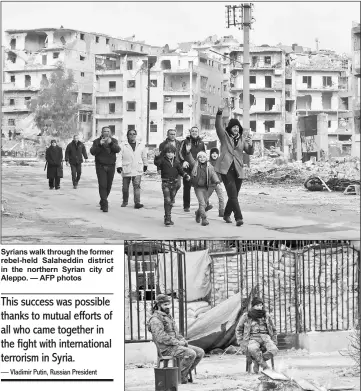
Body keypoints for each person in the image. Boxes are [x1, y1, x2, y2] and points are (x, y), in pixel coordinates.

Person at [148, 294, 205, 384]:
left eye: (168, 304)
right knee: (191, 353)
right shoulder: (155, 319)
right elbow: (161, 337)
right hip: (166, 349)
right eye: (165, 305)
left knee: (200, 352)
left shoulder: (168, 316)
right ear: (158, 305)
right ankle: (180, 377)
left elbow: (176, 333)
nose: (168, 307)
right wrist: (177, 342)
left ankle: (183, 374)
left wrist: (182, 340)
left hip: (175, 346)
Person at [215, 107, 254, 226]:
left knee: (234, 195)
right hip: (226, 169)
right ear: (230, 128)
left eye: (237, 127)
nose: (236, 128)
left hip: (238, 169)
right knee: (232, 194)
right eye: (234, 127)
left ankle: (226, 214)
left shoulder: (242, 139)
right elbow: (218, 126)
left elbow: (249, 152)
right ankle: (239, 218)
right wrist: (219, 113)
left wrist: (251, 144)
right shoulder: (224, 136)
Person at [235, 297, 278, 374]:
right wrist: (241, 342)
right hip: (252, 338)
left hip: (266, 337)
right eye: (257, 305)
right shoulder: (246, 316)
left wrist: (274, 340)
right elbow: (238, 329)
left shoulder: (266, 315)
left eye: (261, 305)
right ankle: (266, 367)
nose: (259, 307)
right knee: (252, 348)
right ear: (253, 306)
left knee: (274, 349)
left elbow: (274, 329)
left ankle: (257, 361)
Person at [184, 144, 221, 226]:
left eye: (204, 157)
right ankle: (204, 218)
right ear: (197, 158)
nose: (202, 158)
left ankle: (198, 213)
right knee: (202, 203)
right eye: (200, 157)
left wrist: (217, 182)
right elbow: (190, 159)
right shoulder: (195, 165)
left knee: (204, 203)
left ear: (206, 158)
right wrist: (188, 152)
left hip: (206, 187)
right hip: (198, 188)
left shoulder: (209, 166)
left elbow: (213, 174)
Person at [154, 144, 190, 226]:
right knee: (167, 200)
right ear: (165, 153)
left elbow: (181, 171)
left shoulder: (176, 162)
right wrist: (156, 157)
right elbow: (157, 163)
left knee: (171, 201)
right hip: (165, 183)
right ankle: (168, 218)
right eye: (168, 152)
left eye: (171, 152)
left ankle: (167, 216)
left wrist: (186, 175)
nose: (170, 154)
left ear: (174, 153)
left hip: (174, 184)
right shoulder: (162, 160)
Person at [90, 126, 120, 212]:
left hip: (111, 166)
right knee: (103, 184)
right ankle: (105, 203)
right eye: (104, 131)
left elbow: (117, 150)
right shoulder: (96, 141)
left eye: (108, 131)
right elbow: (92, 152)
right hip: (101, 166)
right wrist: (100, 144)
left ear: (110, 133)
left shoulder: (114, 141)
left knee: (108, 186)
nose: (106, 132)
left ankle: (103, 200)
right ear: (101, 132)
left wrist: (110, 143)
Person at [117, 129, 148, 209]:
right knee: (125, 187)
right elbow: (119, 157)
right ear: (127, 135)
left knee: (137, 186)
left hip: (137, 168)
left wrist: (145, 164)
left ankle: (137, 203)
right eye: (130, 134)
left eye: (134, 134)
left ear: (136, 135)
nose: (132, 135)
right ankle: (125, 201)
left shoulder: (141, 145)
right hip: (126, 168)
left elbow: (144, 156)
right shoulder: (123, 145)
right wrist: (119, 166)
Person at [179, 126, 206, 212]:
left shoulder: (201, 143)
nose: (194, 132)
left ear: (198, 133)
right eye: (193, 131)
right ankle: (186, 206)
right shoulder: (185, 141)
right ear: (190, 132)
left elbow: (204, 155)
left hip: (198, 168)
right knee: (187, 187)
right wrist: (183, 161)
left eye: (196, 131)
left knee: (201, 187)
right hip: (187, 167)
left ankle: (203, 205)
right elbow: (180, 153)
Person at [157, 128, 183, 195]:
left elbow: (182, 154)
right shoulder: (162, 145)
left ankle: (172, 196)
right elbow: (160, 157)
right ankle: (170, 198)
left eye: (174, 134)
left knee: (178, 185)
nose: (173, 135)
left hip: (177, 166)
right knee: (167, 184)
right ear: (167, 135)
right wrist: (159, 168)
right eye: (171, 134)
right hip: (166, 166)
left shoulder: (179, 143)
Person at [205, 147, 225, 217]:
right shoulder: (208, 163)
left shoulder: (220, 163)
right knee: (205, 197)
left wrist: (221, 180)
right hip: (210, 184)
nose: (214, 154)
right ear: (210, 154)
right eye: (213, 153)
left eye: (216, 153)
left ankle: (221, 211)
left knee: (221, 197)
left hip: (218, 183)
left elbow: (222, 172)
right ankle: (203, 208)